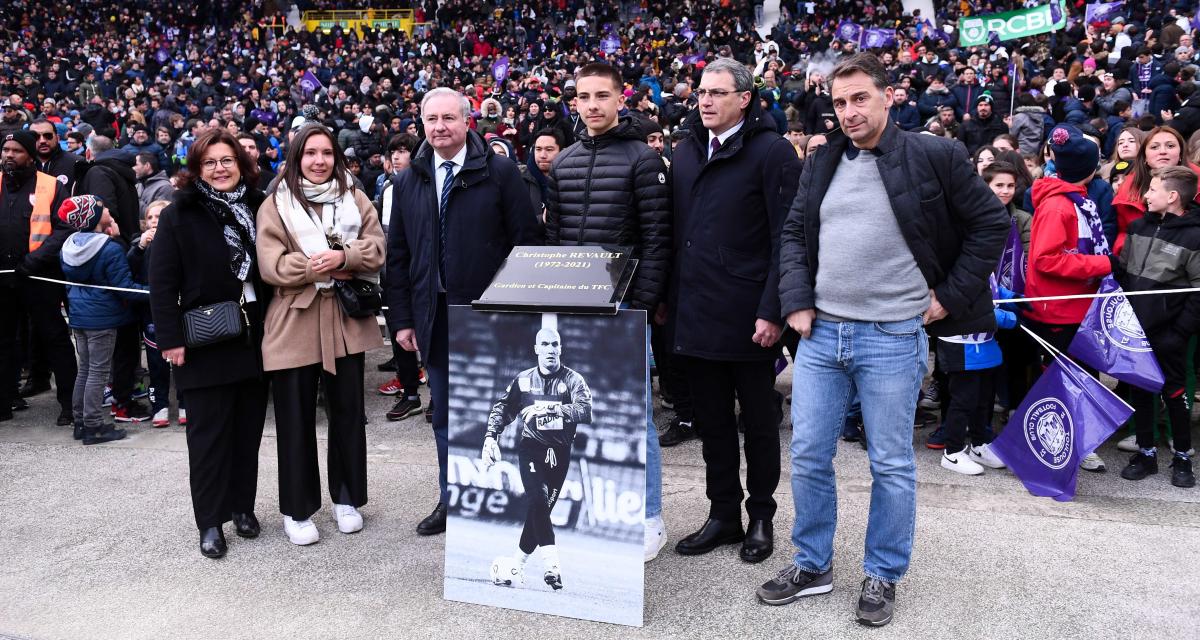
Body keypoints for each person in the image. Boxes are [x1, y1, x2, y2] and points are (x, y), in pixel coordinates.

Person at [761, 54, 1008, 626]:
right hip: (821, 334)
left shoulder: (934, 154)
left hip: (894, 336)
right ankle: (812, 563)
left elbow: (990, 224)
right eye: (839, 102)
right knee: (808, 455)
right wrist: (795, 299)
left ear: (888, 96)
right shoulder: (821, 160)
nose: (847, 112)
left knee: (891, 463)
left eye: (858, 99)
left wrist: (948, 295)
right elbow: (795, 231)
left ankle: (882, 573)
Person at [385, 88, 541, 537]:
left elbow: (525, 245)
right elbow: (398, 257)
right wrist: (402, 320)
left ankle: (506, 499)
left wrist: (516, 313)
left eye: (448, 118)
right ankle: (452, 498)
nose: (439, 127)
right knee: (449, 419)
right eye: (430, 119)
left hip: (490, 320)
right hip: (434, 318)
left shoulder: (500, 171)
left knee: (501, 415)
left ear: (467, 120)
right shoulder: (409, 179)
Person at [665, 58, 801, 565]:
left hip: (751, 319)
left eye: (718, 93)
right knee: (714, 423)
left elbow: (786, 238)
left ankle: (761, 515)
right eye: (701, 92)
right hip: (696, 313)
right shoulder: (685, 151)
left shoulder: (773, 153)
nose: (705, 100)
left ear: (745, 98)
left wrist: (773, 311)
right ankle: (723, 514)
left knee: (760, 424)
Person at [544, 62, 672, 562]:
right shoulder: (565, 162)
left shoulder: (643, 160)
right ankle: (592, 508)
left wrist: (639, 308)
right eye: (583, 96)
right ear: (573, 101)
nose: (592, 104)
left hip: (623, 312)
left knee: (633, 417)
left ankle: (649, 516)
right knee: (576, 416)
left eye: (602, 95)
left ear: (622, 99)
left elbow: (658, 241)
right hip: (571, 312)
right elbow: (553, 242)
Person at [256, 123, 386, 546]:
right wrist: (322, 266)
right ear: (296, 158)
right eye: (310, 153)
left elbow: (377, 248)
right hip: (294, 321)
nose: (318, 161)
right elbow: (272, 264)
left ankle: (346, 498)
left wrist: (344, 255)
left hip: (344, 321)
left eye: (326, 153)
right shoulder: (275, 204)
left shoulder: (355, 196)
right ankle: (297, 510)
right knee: (294, 420)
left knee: (348, 414)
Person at [148, 129, 271, 559]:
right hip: (203, 338)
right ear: (197, 169)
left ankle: (242, 507)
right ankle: (210, 522)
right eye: (210, 162)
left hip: (255, 334)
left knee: (247, 430)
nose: (220, 169)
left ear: (241, 163)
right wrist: (170, 340)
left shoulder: (259, 205)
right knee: (207, 438)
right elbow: (161, 282)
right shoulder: (180, 212)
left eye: (227, 161)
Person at [481, 327, 593, 590]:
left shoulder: (574, 380)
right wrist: (490, 437)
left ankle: (516, 565)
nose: (551, 349)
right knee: (538, 500)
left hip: (560, 453)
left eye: (555, 344)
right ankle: (552, 567)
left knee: (539, 511)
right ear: (536, 349)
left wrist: (550, 407)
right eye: (545, 344)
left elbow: (585, 411)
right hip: (531, 448)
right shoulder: (524, 380)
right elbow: (503, 408)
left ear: (560, 349)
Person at [1114, 165, 1199, 488]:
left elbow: (1197, 292)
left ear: (1172, 196)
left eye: (1152, 189)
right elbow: (1124, 274)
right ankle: (1146, 452)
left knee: (1175, 394)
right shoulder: (1138, 228)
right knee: (1142, 391)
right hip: (1137, 331)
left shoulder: (1194, 235)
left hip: (1170, 335)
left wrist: (1178, 334)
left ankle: (1182, 456)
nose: (1146, 195)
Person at [58, 195, 146, 444]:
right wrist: (156, 292)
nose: (108, 209)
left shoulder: (69, 245)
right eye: (103, 208)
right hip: (103, 318)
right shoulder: (109, 248)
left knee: (84, 369)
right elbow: (125, 288)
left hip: (79, 316)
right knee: (98, 371)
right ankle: (94, 425)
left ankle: (80, 422)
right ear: (95, 217)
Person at [0, 130, 73, 424]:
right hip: (3, 279)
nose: (8, 156)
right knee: (3, 341)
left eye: (16, 151)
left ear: (30, 155)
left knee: (54, 338)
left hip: (39, 276)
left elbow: (64, 227)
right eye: (5, 150)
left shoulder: (51, 186)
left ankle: (69, 405)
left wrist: (34, 261)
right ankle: (4, 401)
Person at [127, 199, 185, 427]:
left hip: (178, 307)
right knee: (156, 362)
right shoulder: (138, 245)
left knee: (182, 360)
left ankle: (185, 403)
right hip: (150, 311)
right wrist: (140, 247)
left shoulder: (180, 240)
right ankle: (159, 405)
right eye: (150, 217)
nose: (154, 221)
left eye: (159, 216)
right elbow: (127, 269)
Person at [1112, 126, 1200, 254]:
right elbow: (1122, 232)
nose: (1163, 151)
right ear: (1145, 156)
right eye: (1154, 147)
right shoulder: (1126, 188)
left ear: (1181, 153)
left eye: (1170, 146)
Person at [134, 153, 175, 218]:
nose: (133, 168)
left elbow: (158, 216)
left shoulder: (165, 187)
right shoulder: (139, 184)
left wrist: (133, 198)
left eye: (135, 165)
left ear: (147, 165)